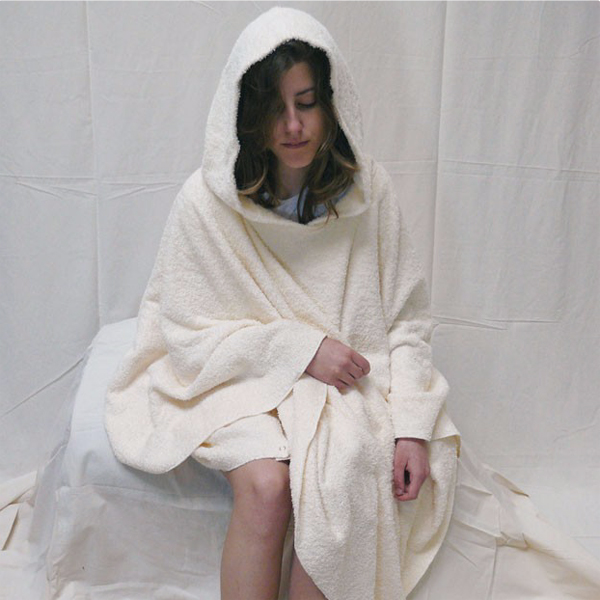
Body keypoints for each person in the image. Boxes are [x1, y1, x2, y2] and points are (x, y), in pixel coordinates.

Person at [105, 7, 600, 600]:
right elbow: (186, 332)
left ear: (331, 103)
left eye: (307, 103)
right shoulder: (207, 204)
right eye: (275, 108)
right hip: (238, 381)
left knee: (342, 472)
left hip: (340, 388)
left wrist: (411, 427)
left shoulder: (369, 194)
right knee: (266, 487)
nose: (293, 125)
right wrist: (298, 348)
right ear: (248, 114)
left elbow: (405, 318)